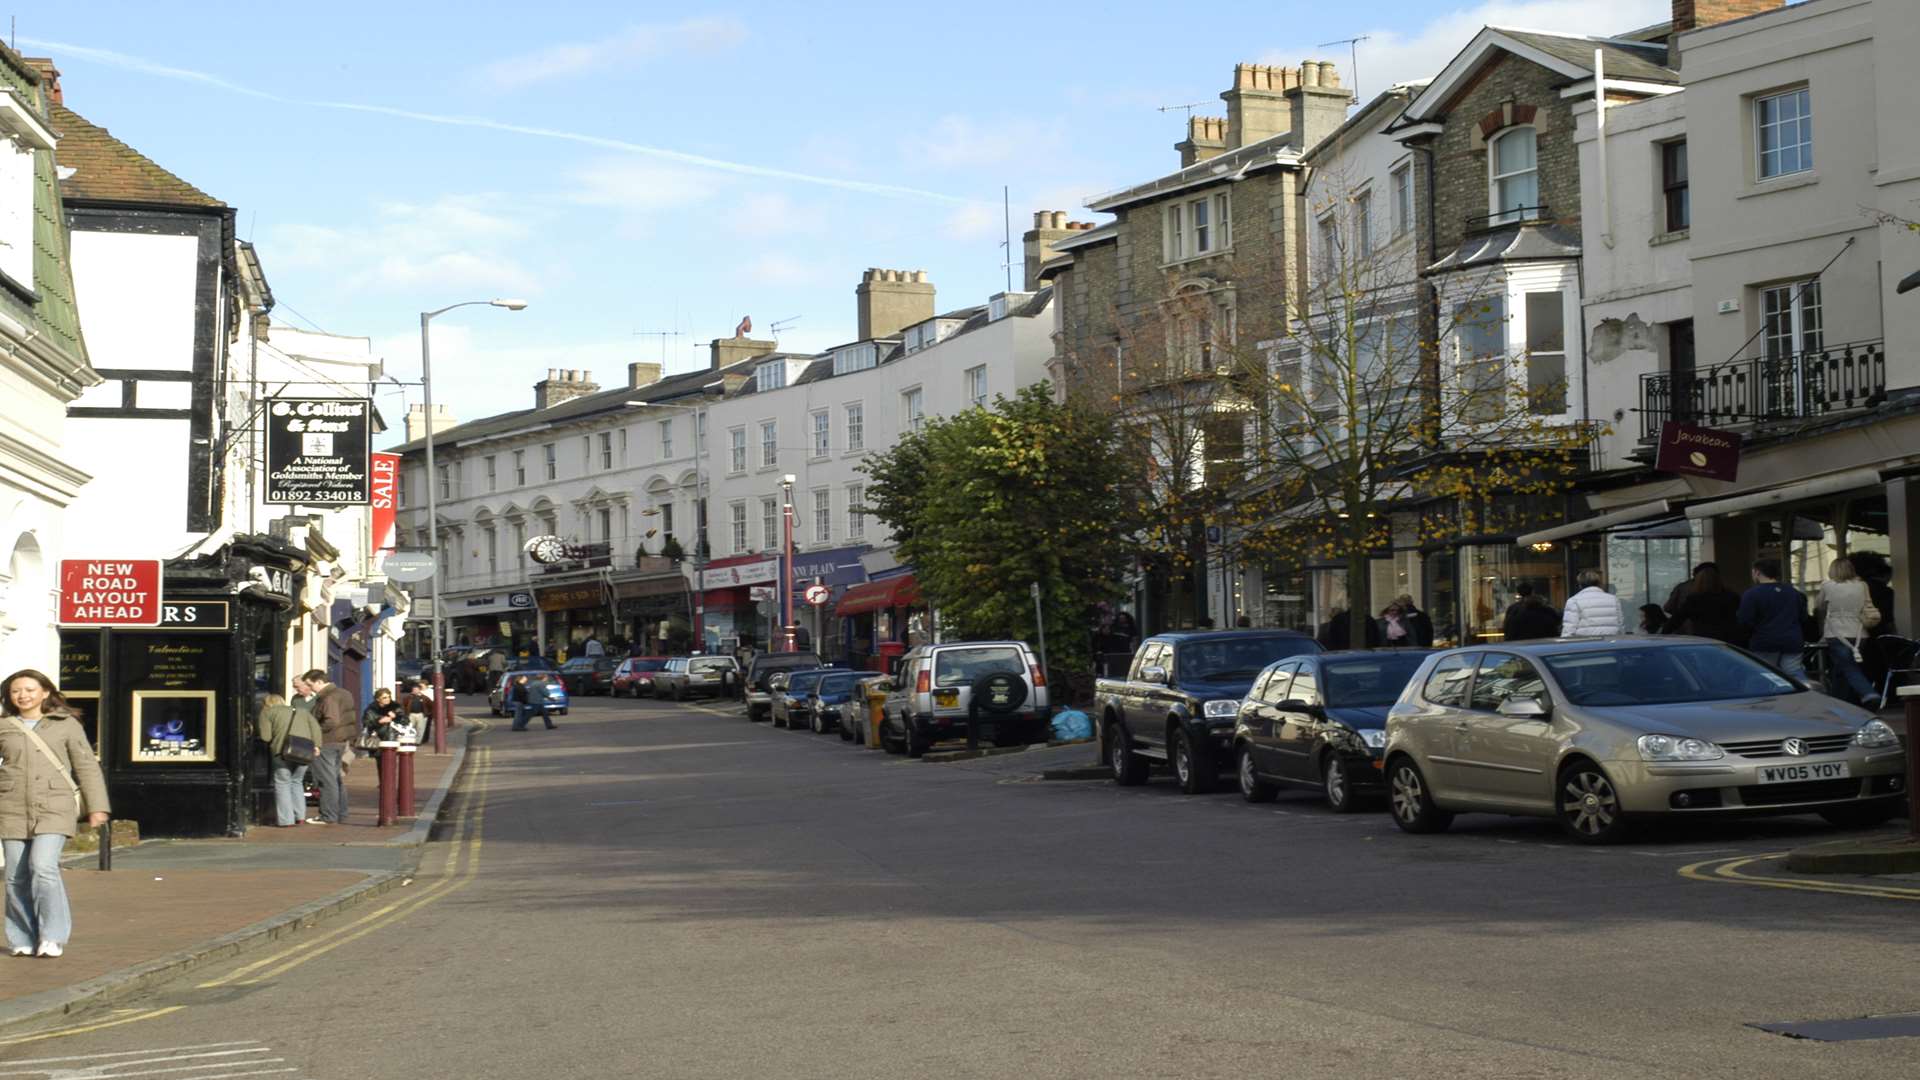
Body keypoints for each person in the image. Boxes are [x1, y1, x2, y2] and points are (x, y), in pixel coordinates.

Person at [1, 669, 111, 958]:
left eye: (29, 689)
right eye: (15, 691)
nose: (22, 695)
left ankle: (52, 936)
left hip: (54, 806)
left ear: (45, 692)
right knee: (15, 876)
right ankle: (22, 937)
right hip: (12, 807)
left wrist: (97, 807)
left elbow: (86, 766)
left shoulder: (65, 724)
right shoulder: (4, 726)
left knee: (43, 867)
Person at [1817, 557, 1881, 708]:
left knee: (1848, 667)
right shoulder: (1862, 585)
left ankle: (1868, 693)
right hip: (1860, 632)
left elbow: (1819, 606)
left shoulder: (1827, 586)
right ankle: (1839, 703)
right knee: (1842, 670)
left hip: (1836, 633)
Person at [258, 692, 322, 828]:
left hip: (281, 753)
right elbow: (316, 729)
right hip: (304, 752)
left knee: (282, 784)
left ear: (266, 704)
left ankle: (286, 820)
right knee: (297, 782)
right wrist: (316, 745)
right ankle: (300, 817)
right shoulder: (302, 711)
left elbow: (266, 737)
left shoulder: (267, 713)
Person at [301, 669, 357, 826]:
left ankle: (328, 815)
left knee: (326, 780)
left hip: (327, 742)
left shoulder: (328, 697)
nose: (310, 689)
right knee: (336, 779)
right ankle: (340, 812)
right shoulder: (344, 693)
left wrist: (313, 731)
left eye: (310, 685)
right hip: (340, 742)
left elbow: (331, 721)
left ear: (319, 682)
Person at [1737, 558, 1808, 678]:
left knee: (1765, 675)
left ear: (1757, 573)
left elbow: (1744, 621)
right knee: (1795, 673)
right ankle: (1805, 695)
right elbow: (1803, 617)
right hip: (1792, 641)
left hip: (1764, 642)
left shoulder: (1751, 594)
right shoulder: (1793, 593)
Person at [1664, 564, 1742, 643]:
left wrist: (1661, 634)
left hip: (1703, 639)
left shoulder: (1694, 600)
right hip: (1727, 640)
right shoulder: (1731, 597)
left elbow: (1676, 620)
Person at [1562, 570, 1625, 637]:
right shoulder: (1613, 599)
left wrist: (1564, 644)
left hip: (1587, 644)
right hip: (1611, 642)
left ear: (1580, 584)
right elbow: (1620, 625)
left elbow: (1569, 629)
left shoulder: (1574, 601)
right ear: (1598, 583)